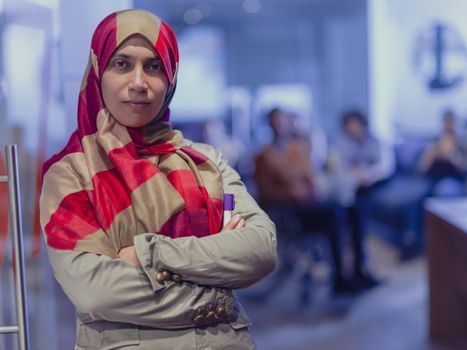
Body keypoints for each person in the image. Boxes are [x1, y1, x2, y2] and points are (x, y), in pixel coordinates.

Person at [40, 9, 276, 350]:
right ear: (97, 71)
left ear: (170, 78)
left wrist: (146, 253)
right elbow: (97, 293)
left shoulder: (205, 160)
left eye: (154, 67)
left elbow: (260, 250)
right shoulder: (71, 173)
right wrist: (216, 297)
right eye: (121, 64)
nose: (139, 82)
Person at [253, 108, 375, 296]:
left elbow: (310, 179)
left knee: (355, 209)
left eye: (281, 121)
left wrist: (307, 190)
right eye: (274, 122)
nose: (279, 126)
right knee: (333, 213)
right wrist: (290, 193)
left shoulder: (298, 149)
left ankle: (359, 270)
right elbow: (265, 192)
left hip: (308, 202)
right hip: (289, 211)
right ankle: (339, 279)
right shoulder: (263, 156)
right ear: (269, 125)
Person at [331, 110, 394, 285]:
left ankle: (362, 268)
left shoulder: (376, 141)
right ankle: (356, 269)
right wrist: (355, 175)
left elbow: (385, 167)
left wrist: (367, 174)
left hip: (375, 187)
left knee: (359, 214)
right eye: (348, 124)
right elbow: (339, 168)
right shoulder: (342, 143)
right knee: (351, 217)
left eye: (354, 123)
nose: (352, 128)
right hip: (352, 189)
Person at [418, 109, 467, 196]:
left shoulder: (461, 142)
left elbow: (463, 168)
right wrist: (431, 154)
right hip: (433, 178)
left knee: (444, 189)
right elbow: (422, 168)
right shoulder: (435, 141)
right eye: (445, 121)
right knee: (420, 194)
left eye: (450, 122)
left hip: (453, 179)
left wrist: (451, 154)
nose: (447, 125)